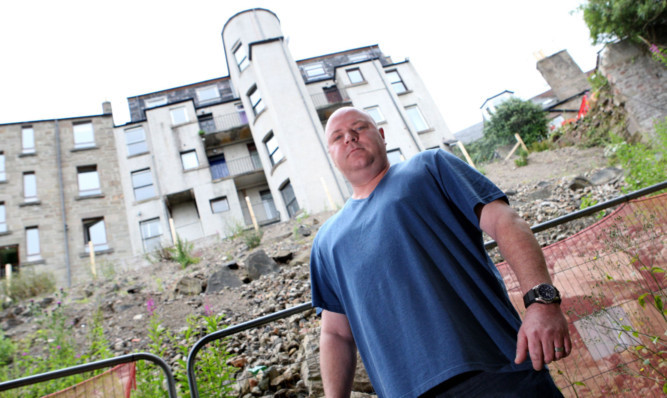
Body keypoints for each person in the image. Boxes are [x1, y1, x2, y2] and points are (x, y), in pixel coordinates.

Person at [309, 107, 572, 397]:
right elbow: (335, 334)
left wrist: (542, 301)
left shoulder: (430, 166)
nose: (350, 138)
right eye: (338, 137)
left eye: (359, 127)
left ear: (382, 136)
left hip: (498, 372)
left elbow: (505, 221)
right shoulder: (325, 242)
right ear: (331, 155)